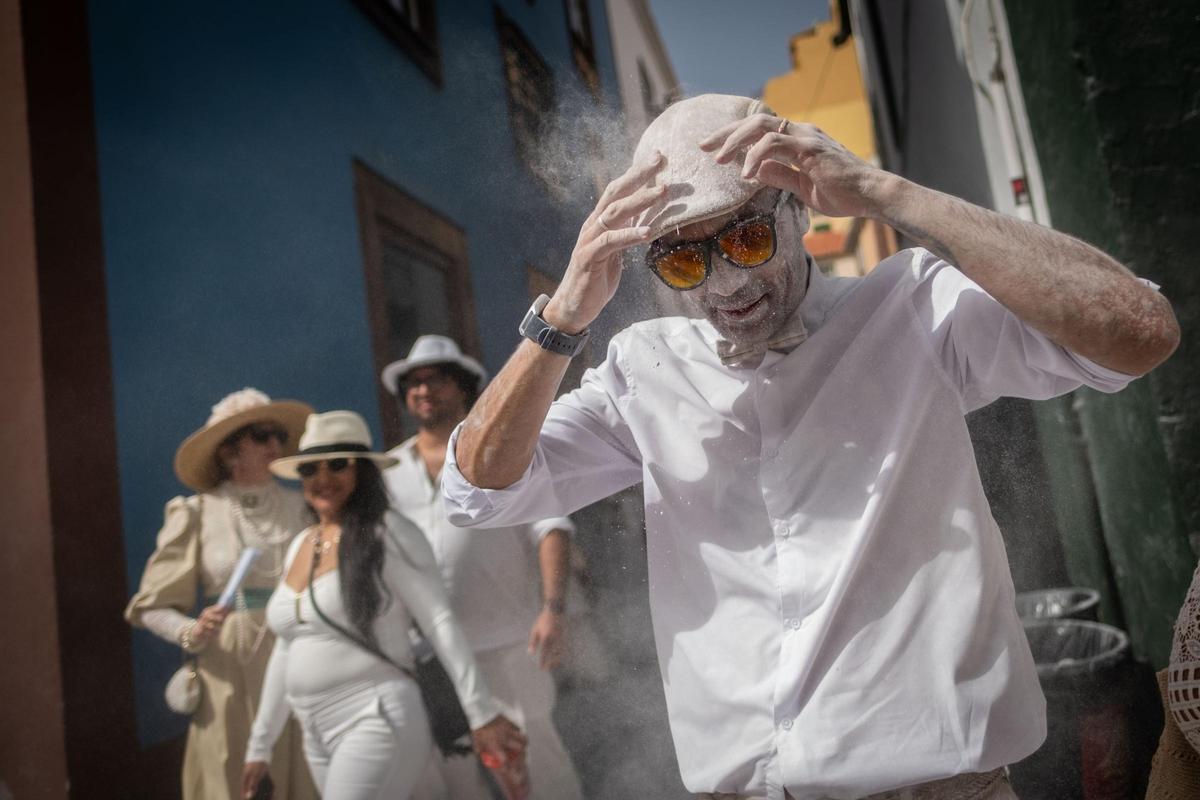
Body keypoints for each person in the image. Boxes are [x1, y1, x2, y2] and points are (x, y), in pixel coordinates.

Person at [440, 94, 1181, 800]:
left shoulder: (912, 307)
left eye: (747, 238)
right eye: (685, 261)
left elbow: (1140, 335)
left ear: (796, 210)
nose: (725, 282)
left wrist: (884, 192)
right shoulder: (644, 370)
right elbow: (476, 491)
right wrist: (563, 318)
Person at [241, 409, 528, 800]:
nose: (322, 478)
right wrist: (259, 747)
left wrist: (480, 713)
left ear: (363, 472)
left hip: (376, 714)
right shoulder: (300, 544)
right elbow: (287, 647)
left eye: (337, 465)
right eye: (310, 469)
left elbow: (438, 621)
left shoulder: (389, 534)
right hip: (314, 730)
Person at [380, 335, 585, 800]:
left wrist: (553, 609)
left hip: (509, 643)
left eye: (435, 379)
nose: (423, 390)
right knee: (458, 777)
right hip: (431, 657)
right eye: (413, 383)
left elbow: (551, 527)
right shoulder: (388, 472)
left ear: (462, 385)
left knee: (538, 765)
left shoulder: (499, 450)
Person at [125, 388, 318, 800]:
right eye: (262, 435)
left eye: (279, 436)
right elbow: (152, 606)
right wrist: (191, 630)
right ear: (230, 451)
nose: (274, 444)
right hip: (230, 664)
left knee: (303, 775)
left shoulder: (305, 506)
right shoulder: (196, 513)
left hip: (299, 652)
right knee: (231, 775)